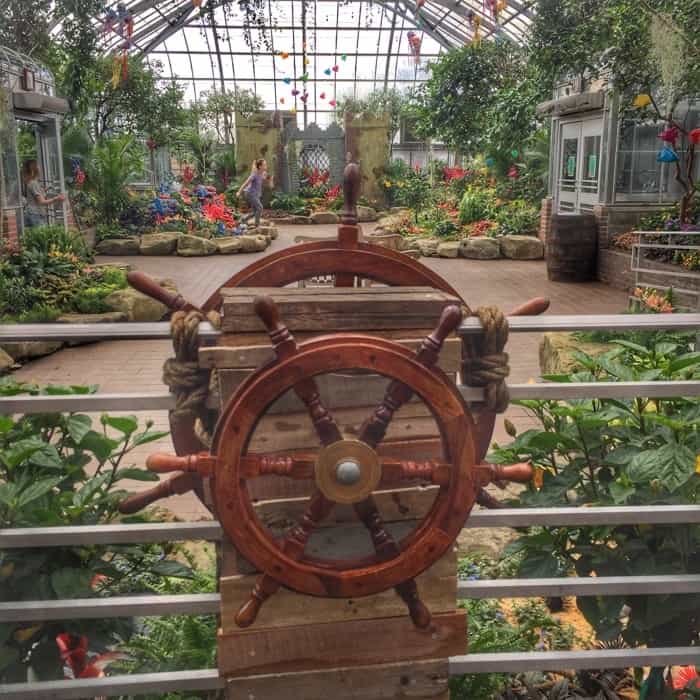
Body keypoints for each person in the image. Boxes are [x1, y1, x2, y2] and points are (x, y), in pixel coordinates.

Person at [22, 159, 64, 229]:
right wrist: (57, 198)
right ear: (34, 170)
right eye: (38, 167)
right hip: (36, 214)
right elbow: (41, 202)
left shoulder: (30, 182)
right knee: (41, 234)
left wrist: (46, 189)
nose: (39, 169)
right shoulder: (33, 183)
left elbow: (36, 194)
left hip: (32, 213)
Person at [237, 159, 271, 228]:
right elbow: (246, 183)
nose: (266, 166)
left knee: (255, 211)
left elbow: (264, 178)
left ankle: (243, 219)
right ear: (260, 166)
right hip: (250, 193)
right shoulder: (254, 175)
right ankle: (257, 225)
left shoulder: (262, 173)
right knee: (260, 208)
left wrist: (269, 179)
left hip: (256, 194)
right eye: (264, 165)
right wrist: (239, 192)